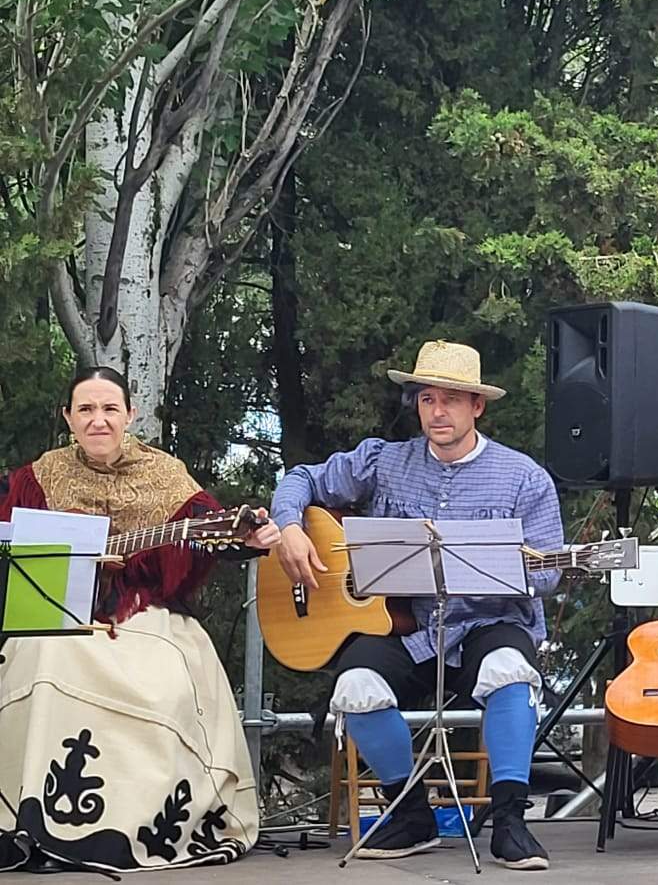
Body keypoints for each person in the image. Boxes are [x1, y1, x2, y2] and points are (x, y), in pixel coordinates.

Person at [270, 341, 561, 871]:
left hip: (485, 622)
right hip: (406, 627)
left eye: (452, 399)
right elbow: (302, 478)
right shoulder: (384, 460)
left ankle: (512, 822)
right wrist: (290, 526)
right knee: (355, 687)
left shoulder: (524, 477)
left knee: (508, 670)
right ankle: (410, 814)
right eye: (427, 399)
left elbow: (552, 573)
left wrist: (496, 569)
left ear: (478, 406)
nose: (438, 411)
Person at [0, 368, 277, 872]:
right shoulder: (38, 476)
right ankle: (28, 820)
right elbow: (13, 546)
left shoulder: (168, 477)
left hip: (144, 609)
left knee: (163, 675)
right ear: (68, 418)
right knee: (38, 653)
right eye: (85, 409)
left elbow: (207, 538)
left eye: (109, 409)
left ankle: (129, 824)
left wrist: (246, 541)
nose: (98, 420)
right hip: (64, 611)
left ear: (130, 415)